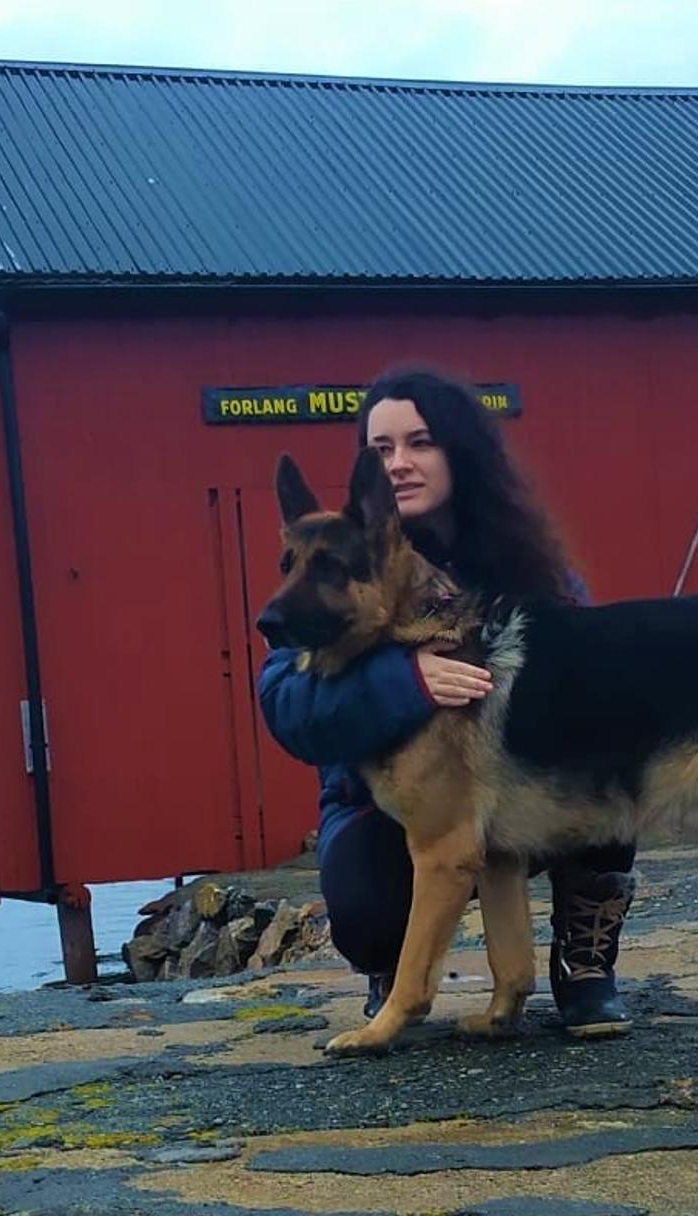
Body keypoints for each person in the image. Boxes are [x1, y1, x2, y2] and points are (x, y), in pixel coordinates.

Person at [256, 366, 638, 1037]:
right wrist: (408, 682)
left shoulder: (529, 568)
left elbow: (595, 681)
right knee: (368, 908)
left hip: (520, 789)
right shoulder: (332, 562)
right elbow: (288, 706)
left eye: (420, 442)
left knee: (606, 762)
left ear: (460, 451)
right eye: (381, 450)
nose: (400, 463)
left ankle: (583, 961)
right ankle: (395, 970)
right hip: (384, 807)